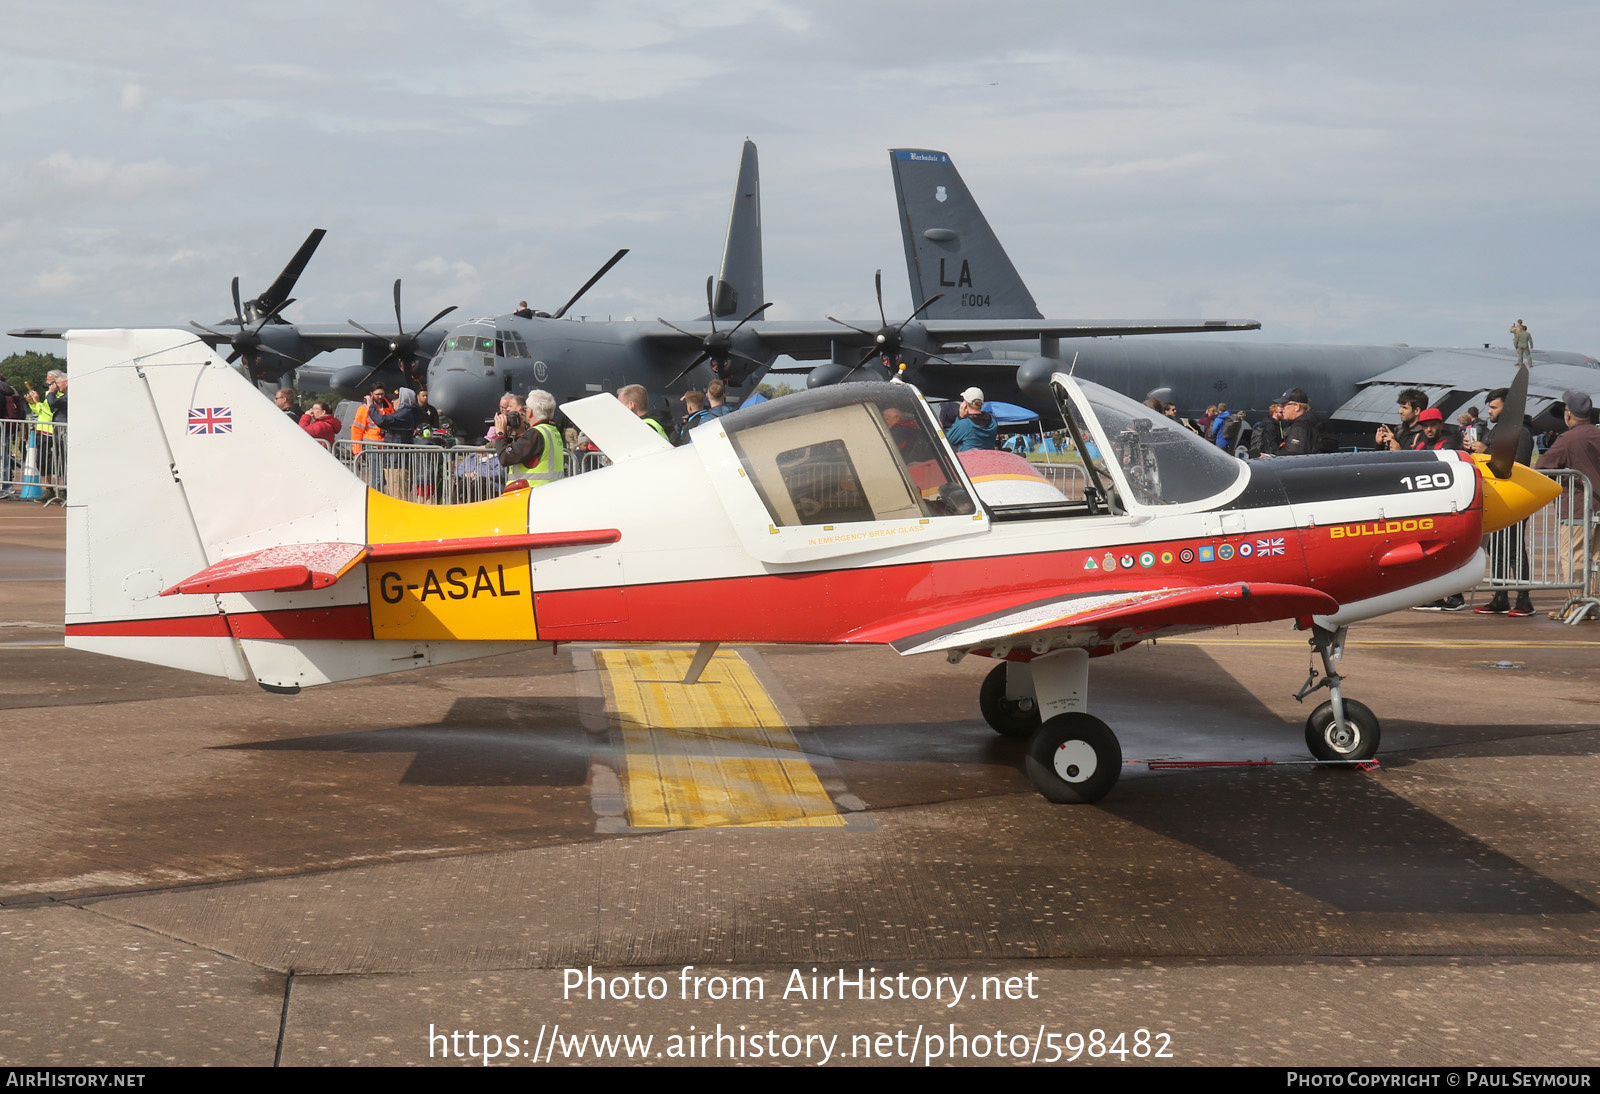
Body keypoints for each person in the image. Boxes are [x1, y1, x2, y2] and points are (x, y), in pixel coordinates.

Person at [1470, 387, 1536, 617]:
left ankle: (1524, 599)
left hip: (1514, 499)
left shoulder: (1522, 433)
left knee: (1515, 550)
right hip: (1496, 499)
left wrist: (1486, 450)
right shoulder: (1497, 430)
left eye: (1494, 406)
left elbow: (1518, 463)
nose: (1489, 410)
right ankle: (1500, 596)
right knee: (1497, 549)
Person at [1536, 389, 1600, 611]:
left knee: (1573, 557)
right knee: (1595, 560)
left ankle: (1577, 605)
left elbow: (1542, 467)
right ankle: (1592, 605)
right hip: (1597, 509)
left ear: (1568, 414)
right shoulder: (1597, 434)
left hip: (1577, 508)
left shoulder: (1567, 439)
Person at [495, 388, 564, 489]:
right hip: (549, 490)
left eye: (526, 409)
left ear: (530, 412)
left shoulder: (535, 434)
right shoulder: (552, 430)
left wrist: (500, 433)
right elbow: (527, 452)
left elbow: (505, 457)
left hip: (530, 493)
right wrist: (519, 432)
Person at [1272, 388, 1323, 456]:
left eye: (1284, 405)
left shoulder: (1299, 427)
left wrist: (1272, 458)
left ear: (1297, 406)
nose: (1281, 408)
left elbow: (1292, 456)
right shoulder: (1312, 421)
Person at [945, 387, 997, 452]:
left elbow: (947, 441)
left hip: (969, 460)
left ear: (966, 403)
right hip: (987, 459)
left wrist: (960, 418)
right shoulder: (993, 422)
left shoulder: (964, 424)